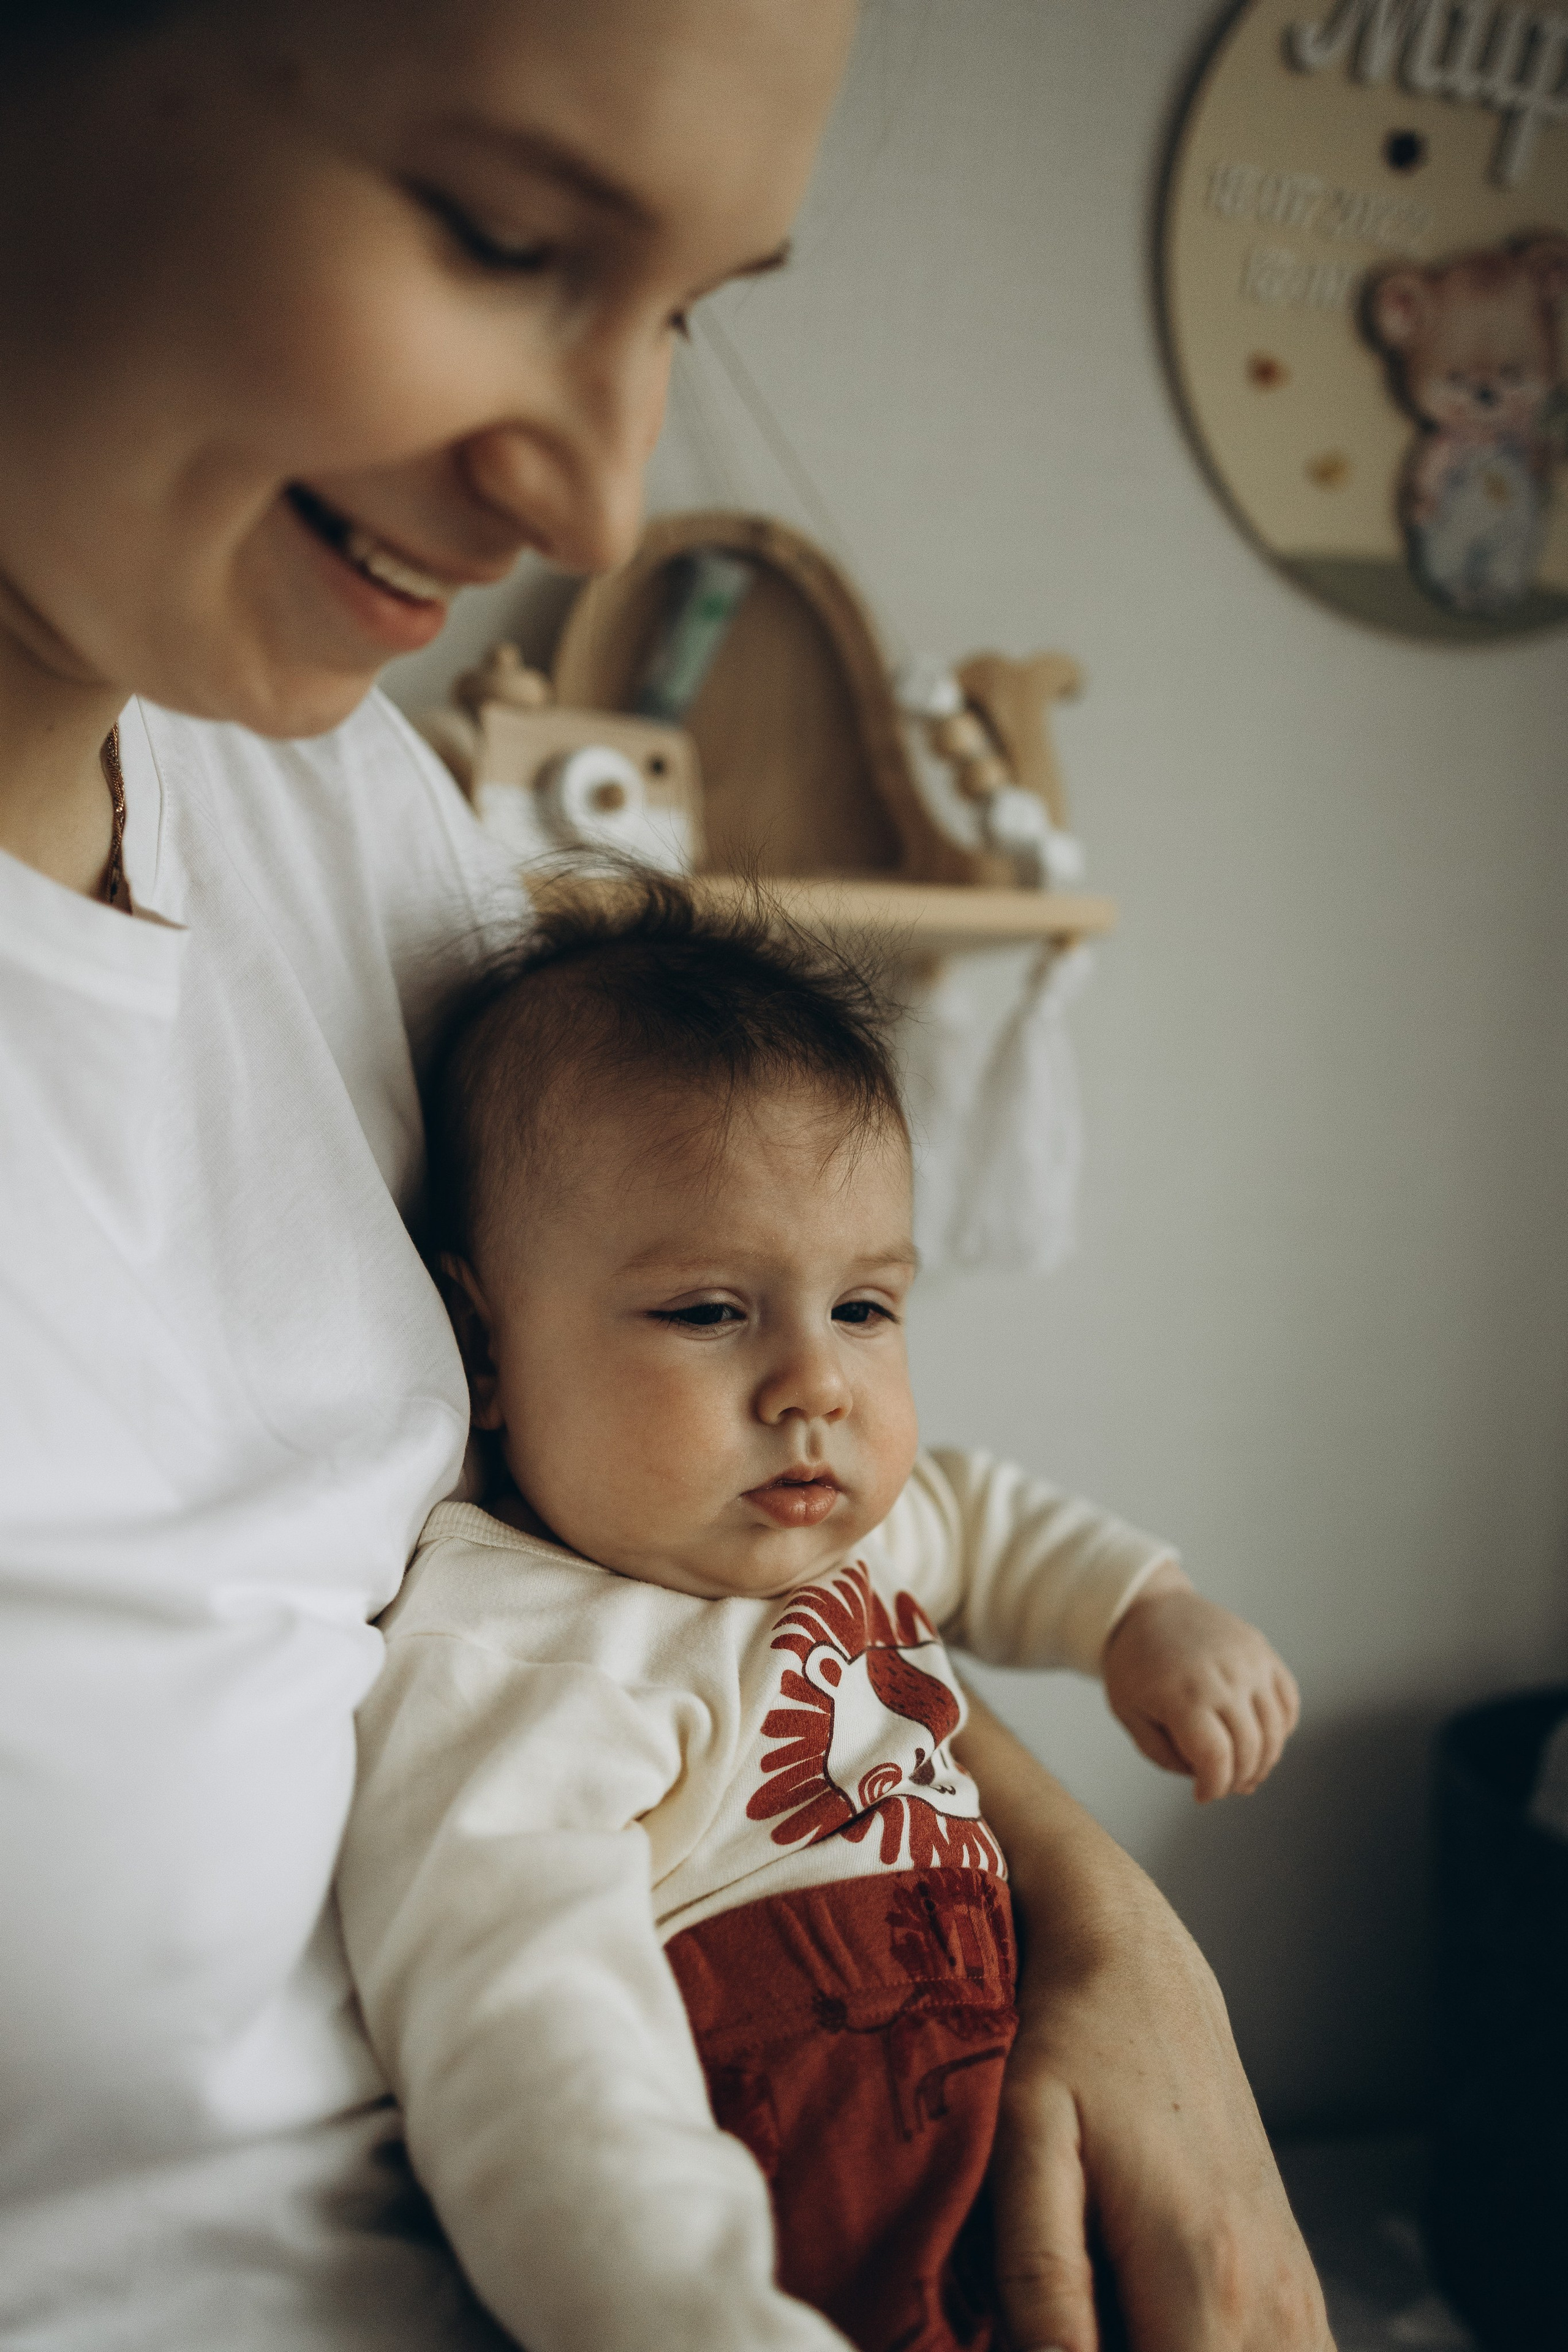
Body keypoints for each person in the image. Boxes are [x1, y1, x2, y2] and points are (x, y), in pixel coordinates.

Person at [0, 5, 1332, 2350]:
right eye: (508, 238)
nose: (604, 503)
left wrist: (1116, 1939)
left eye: (693, 310)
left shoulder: (349, 817)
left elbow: (807, 1542)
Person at [339, 880, 1303, 2352]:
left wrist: (1140, 1611)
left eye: (863, 1307)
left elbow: (979, 1514)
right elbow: (539, 2072)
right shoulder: (516, 1656)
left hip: (1023, 2125)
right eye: (708, 1311)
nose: (818, 1385)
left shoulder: (823, 1526)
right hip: (810, 2229)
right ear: (482, 1346)